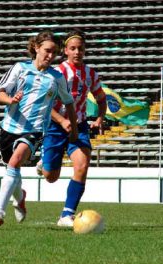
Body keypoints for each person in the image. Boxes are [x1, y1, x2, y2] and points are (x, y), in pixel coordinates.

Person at [0, 30, 78, 226]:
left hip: (35, 130)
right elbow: (0, 94)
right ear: (36, 48)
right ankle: (20, 196)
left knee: (14, 162)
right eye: (47, 51)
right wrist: (10, 99)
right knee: (12, 168)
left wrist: (74, 130)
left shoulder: (56, 78)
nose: (50, 56)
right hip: (9, 127)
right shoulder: (19, 68)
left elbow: (69, 102)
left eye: (54, 53)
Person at [38, 29, 107, 227]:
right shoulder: (56, 72)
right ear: (66, 51)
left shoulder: (90, 74)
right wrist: (61, 120)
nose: (77, 52)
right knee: (51, 177)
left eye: (81, 49)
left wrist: (100, 118)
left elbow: (101, 99)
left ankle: (66, 215)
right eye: (73, 48)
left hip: (80, 125)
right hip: (55, 125)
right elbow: (43, 103)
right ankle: (45, 163)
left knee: (82, 165)